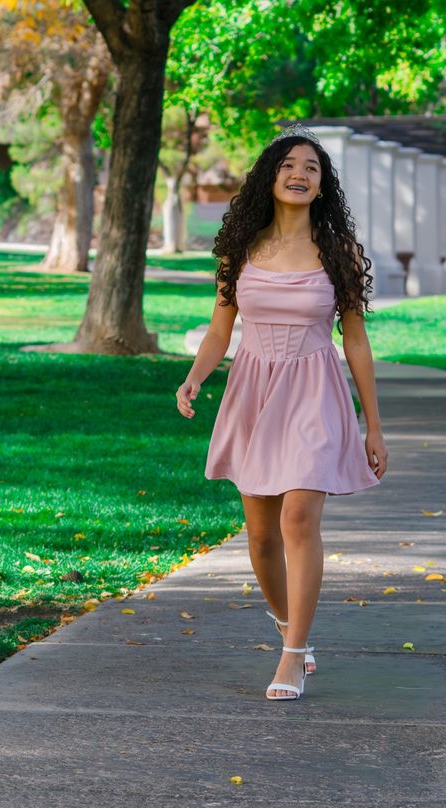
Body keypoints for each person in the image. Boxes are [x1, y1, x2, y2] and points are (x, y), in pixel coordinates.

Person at [175, 124, 388, 702]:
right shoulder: (238, 251)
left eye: (312, 168)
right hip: (253, 390)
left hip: (315, 391)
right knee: (261, 533)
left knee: (298, 519)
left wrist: (373, 423)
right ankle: (287, 620)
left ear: (322, 186)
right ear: (271, 178)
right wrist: (194, 378)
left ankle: (292, 655)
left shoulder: (337, 252)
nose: (300, 173)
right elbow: (221, 330)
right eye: (289, 165)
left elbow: (357, 342)